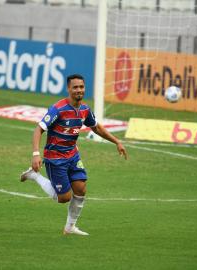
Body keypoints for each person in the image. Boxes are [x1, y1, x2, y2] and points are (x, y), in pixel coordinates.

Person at [20, 74, 127, 236]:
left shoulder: (84, 110)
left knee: (81, 188)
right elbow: (39, 129)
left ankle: (70, 227)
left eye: (81, 87)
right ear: (69, 89)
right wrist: (36, 153)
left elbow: (96, 128)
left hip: (72, 155)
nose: (79, 90)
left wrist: (117, 141)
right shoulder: (58, 109)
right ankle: (34, 176)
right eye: (75, 87)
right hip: (55, 157)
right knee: (64, 198)